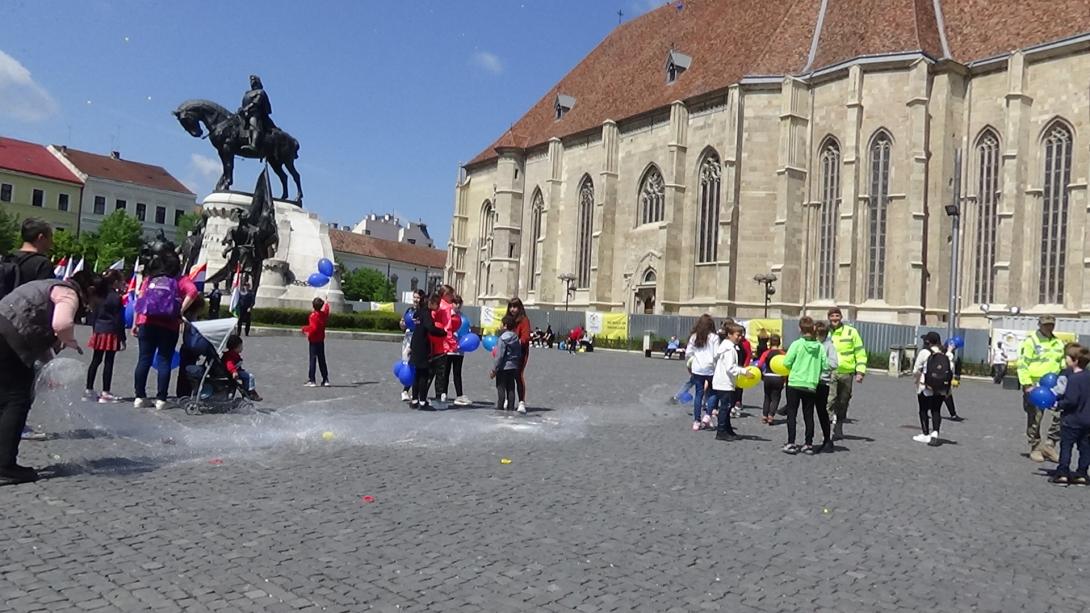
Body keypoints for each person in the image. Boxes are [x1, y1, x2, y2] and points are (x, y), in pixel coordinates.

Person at [0, 271, 108, 484]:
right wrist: (70, 340)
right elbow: (61, 324)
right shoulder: (69, 294)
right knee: (17, 401)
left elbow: (39, 336)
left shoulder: (49, 284)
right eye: (95, 302)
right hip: (9, 341)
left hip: (5, 331)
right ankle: (4, 466)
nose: (92, 309)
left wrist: (45, 371)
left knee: (3, 400)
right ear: (91, 291)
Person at [132, 250, 199, 410]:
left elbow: (140, 300)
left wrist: (136, 322)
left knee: (143, 359)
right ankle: (161, 399)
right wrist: (180, 311)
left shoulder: (151, 279)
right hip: (169, 325)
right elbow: (193, 292)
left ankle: (139, 397)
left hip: (147, 322)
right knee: (164, 360)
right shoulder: (179, 280)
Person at [1019, 315, 1065, 462]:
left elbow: (1062, 363)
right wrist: (1027, 384)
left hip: (1055, 385)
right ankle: (1036, 447)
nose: (1049, 327)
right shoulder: (1031, 341)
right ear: (1039, 325)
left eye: (1051, 324)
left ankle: (1050, 445)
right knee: (1035, 417)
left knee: (1060, 415)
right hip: (1035, 385)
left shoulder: (1058, 343)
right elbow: (1023, 364)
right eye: (1046, 325)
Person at [781, 317, 827, 455]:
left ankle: (791, 442)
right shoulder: (820, 347)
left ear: (800, 329)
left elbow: (787, 362)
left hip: (795, 383)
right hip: (811, 384)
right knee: (808, 415)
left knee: (791, 414)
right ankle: (808, 444)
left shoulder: (797, 344)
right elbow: (825, 365)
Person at [85, 270, 127, 403]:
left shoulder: (99, 295)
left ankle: (89, 390)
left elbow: (93, 315)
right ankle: (105, 392)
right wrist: (122, 337)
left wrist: (94, 330)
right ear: (115, 282)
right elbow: (119, 319)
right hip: (111, 330)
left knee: (95, 360)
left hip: (98, 329)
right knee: (109, 362)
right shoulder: (115, 297)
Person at [1050, 344, 1090, 485]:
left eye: (1067, 357)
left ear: (1075, 361)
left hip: (1072, 420)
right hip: (1087, 421)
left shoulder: (1073, 379)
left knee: (1066, 446)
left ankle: (1062, 473)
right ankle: (1082, 474)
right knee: (1085, 448)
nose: (1065, 359)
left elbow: (1071, 400)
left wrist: (1057, 405)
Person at [827, 307, 867, 440]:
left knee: (844, 400)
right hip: (830, 372)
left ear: (841, 317)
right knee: (830, 400)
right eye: (832, 316)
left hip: (847, 373)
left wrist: (860, 371)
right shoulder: (824, 333)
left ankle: (839, 424)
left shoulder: (851, 332)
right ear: (829, 318)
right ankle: (826, 427)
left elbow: (860, 352)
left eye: (837, 315)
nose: (834, 318)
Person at [710, 323, 748, 441]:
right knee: (725, 407)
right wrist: (744, 372)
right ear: (729, 335)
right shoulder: (729, 349)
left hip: (724, 381)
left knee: (727, 406)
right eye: (738, 335)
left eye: (741, 335)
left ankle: (728, 429)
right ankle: (721, 431)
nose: (740, 337)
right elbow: (730, 368)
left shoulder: (728, 347)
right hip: (724, 382)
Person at [912, 332, 950, 447]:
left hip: (926, 386)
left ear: (928, 341)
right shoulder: (944, 353)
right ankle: (935, 433)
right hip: (941, 387)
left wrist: (917, 381)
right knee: (936, 410)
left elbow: (915, 370)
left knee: (923, 409)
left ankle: (925, 434)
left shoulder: (924, 352)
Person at [408, 293, 446, 409]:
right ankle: (422, 401)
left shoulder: (419, 312)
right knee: (424, 375)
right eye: (437, 304)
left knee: (417, 375)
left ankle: (414, 400)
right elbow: (430, 328)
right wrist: (442, 332)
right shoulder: (426, 313)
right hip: (423, 346)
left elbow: (415, 320)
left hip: (415, 344)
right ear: (432, 303)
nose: (438, 307)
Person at [685, 314, 719, 431]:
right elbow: (716, 355)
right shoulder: (714, 337)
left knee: (699, 394)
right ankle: (708, 415)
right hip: (711, 369)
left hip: (697, 368)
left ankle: (696, 421)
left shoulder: (694, 337)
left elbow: (688, 353)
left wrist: (692, 362)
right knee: (713, 393)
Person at [175, 295, 207, 398]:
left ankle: (182, 392)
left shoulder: (187, 316)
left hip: (186, 347)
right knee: (188, 371)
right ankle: (185, 392)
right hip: (190, 348)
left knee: (183, 371)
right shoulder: (192, 320)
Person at [812, 322, 837, 453]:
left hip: (822, 382)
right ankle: (808, 441)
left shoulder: (829, 345)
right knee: (807, 411)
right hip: (809, 382)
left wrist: (819, 365)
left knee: (822, 412)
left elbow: (833, 363)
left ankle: (827, 439)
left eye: (819, 334)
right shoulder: (812, 343)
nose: (817, 336)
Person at [6, 218, 54, 285]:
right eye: (50, 237)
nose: (52, 242)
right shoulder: (43, 264)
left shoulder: (8, 258)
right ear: (41, 237)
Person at [491, 314, 523, 412]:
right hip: (513, 367)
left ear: (505, 326)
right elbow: (519, 353)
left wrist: (494, 369)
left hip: (503, 367)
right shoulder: (516, 338)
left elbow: (499, 355)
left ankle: (500, 407)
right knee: (511, 388)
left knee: (501, 388)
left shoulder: (502, 338)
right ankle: (511, 408)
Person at [398, 290, 426, 402]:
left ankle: (413, 391)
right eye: (414, 297)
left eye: (418, 297)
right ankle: (405, 390)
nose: (415, 300)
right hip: (408, 339)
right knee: (407, 364)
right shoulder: (409, 310)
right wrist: (402, 324)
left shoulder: (423, 311)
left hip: (418, 340)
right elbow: (403, 326)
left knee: (416, 365)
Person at [429, 285, 454, 407]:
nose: (452, 297)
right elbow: (447, 326)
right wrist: (452, 343)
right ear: (445, 295)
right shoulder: (446, 307)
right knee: (440, 373)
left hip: (430, 340)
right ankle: (438, 398)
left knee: (428, 371)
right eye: (451, 295)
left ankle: (420, 396)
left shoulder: (435, 304)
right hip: (441, 342)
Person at [506, 297, 532, 413]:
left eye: (515, 307)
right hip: (508, 352)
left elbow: (525, 337)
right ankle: (509, 399)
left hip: (520, 351)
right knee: (507, 375)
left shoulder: (524, 320)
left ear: (520, 308)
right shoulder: (507, 320)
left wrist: (516, 342)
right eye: (511, 307)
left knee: (518, 375)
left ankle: (521, 401)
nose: (512, 309)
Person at [756, 334, 785, 425]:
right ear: (779, 342)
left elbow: (759, 365)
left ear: (770, 342)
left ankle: (764, 415)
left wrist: (761, 375)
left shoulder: (766, 353)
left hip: (768, 376)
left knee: (767, 397)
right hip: (778, 377)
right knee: (776, 397)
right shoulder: (782, 353)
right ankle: (771, 416)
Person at [223, 334, 261, 401]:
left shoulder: (233, 354)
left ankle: (247, 390)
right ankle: (250, 392)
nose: (242, 348)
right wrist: (234, 372)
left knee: (246, 376)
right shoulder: (230, 355)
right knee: (250, 376)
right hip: (231, 372)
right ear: (236, 347)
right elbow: (229, 364)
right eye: (241, 346)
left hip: (234, 371)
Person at [302, 296, 330, 387]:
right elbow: (327, 310)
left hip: (313, 340)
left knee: (313, 360)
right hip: (321, 339)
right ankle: (325, 379)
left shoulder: (313, 315)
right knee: (322, 360)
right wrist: (326, 302)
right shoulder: (323, 315)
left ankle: (312, 380)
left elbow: (313, 328)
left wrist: (305, 329)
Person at [448, 295, 470, 405]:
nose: (457, 305)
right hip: (448, 349)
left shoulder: (463, 318)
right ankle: (442, 394)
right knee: (445, 373)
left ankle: (459, 395)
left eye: (459, 303)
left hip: (459, 349)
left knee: (457, 373)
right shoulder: (448, 316)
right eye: (455, 303)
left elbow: (466, 331)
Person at [943, 340, 964, 421]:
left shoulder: (949, 354)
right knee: (946, 396)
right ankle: (953, 414)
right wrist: (950, 350)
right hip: (944, 379)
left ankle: (953, 414)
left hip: (946, 378)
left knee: (944, 396)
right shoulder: (948, 355)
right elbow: (949, 364)